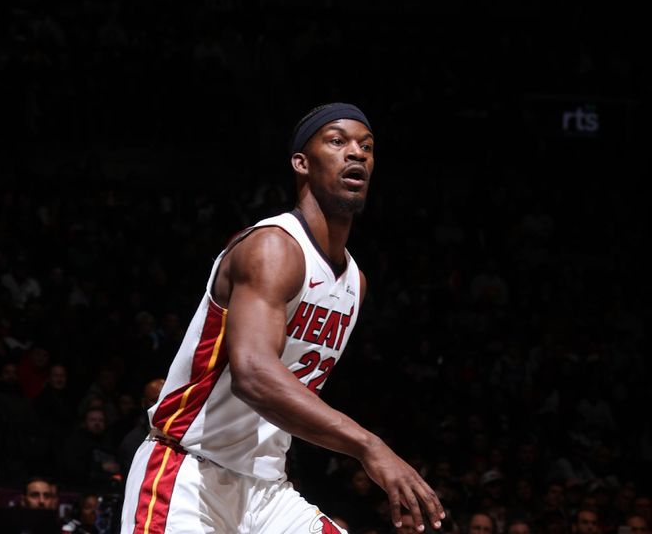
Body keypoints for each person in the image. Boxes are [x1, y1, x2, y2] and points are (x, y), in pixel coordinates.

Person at [120, 103, 444, 533]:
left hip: (268, 489)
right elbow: (253, 375)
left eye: (366, 146)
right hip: (187, 474)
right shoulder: (273, 247)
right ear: (301, 163)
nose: (356, 153)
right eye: (337, 141)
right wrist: (369, 446)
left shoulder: (354, 282)